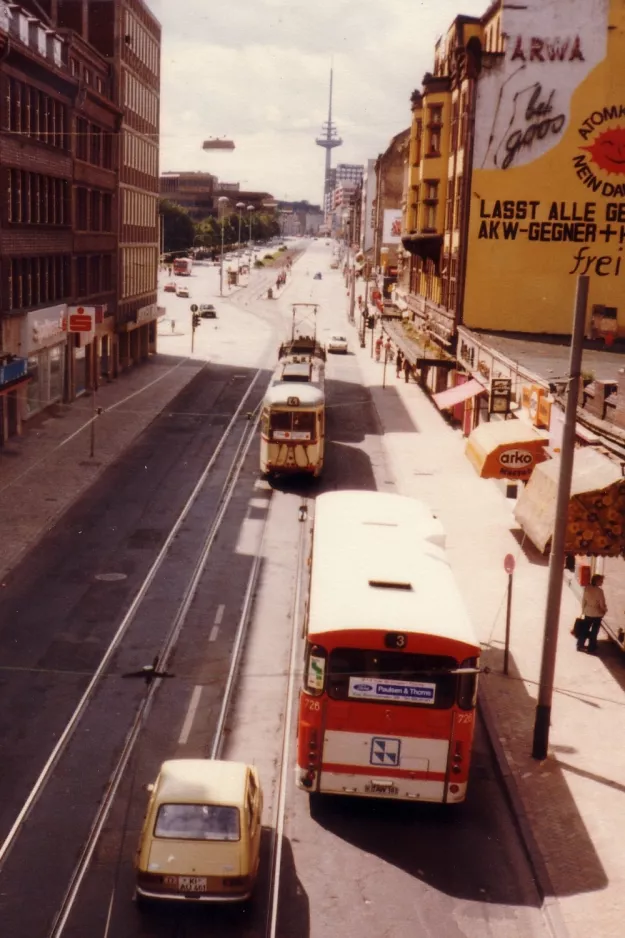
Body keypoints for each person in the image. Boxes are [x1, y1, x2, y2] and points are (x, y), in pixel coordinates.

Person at [579, 573, 607, 653]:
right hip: (596, 614)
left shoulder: (587, 588)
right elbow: (602, 604)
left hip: (588, 612)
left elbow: (584, 600)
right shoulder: (600, 591)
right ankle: (592, 647)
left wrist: (583, 610)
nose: (602, 582)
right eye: (601, 581)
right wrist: (604, 610)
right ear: (597, 581)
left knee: (584, 629)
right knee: (594, 631)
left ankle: (580, 645)